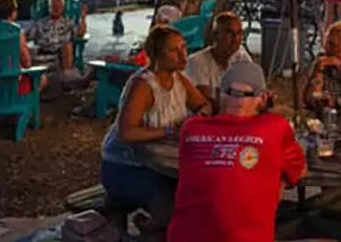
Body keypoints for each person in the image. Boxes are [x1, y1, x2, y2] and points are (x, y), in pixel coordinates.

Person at [168, 61, 306, 242]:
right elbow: (299, 171)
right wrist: (276, 183)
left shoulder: (191, 128)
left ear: (219, 94)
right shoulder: (275, 126)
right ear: (263, 99)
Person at [100, 26, 211, 236]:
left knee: (199, 194)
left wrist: (203, 113)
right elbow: (127, 133)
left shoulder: (180, 80)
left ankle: (156, 229)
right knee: (169, 207)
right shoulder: (142, 85)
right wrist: (169, 131)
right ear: (157, 54)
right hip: (126, 165)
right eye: (174, 50)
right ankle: (150, 231)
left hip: (161, 161)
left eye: (183, 48)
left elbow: (203, 106)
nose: (182, 54)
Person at [186, 13, 253, 106]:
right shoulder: (195, 62)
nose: (236, 39)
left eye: (239, 33)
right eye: (230, 33)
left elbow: (252, 91)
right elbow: (202, 100)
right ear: (216, 35)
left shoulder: (242, 57)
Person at [0, 0, 48, 95]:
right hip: (11, 82)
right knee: (42, 79)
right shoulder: (16, 32)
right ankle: (26, 103)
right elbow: (26, 62)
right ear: (13, 13)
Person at [27, 0, 86, 81]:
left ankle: (66, 79)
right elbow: (28, 36)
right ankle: (32, 81)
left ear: (63, 9)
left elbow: (80, 34)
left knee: (67, 46)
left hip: (62, 50)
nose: (56, 9)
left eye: (59, 6)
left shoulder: (68, 23)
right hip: (42, 49)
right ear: (49, 8)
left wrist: (83, 18)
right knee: (28, 49)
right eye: (53, 6)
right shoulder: (40, 23)